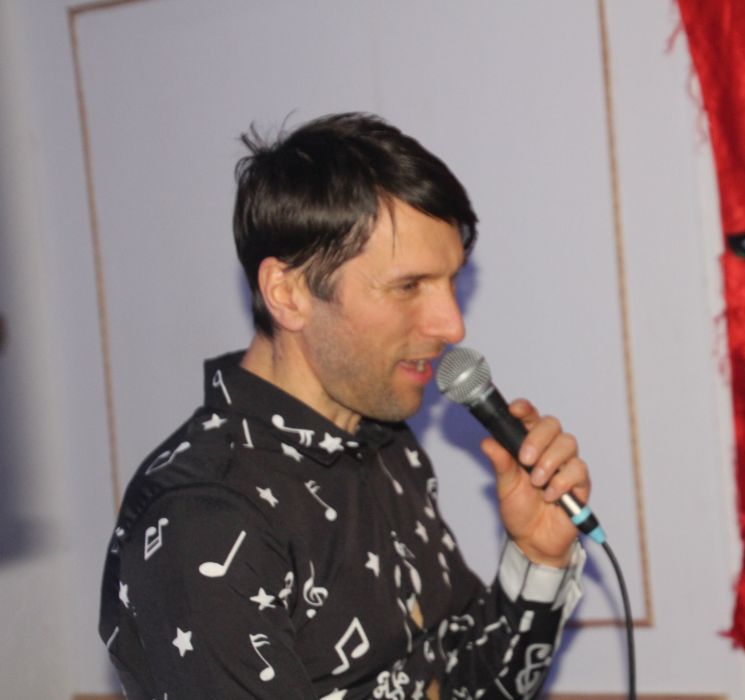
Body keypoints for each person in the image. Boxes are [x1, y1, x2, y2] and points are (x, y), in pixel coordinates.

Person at [98, 112, 590, 700]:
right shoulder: (204, 517)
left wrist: (538, 555)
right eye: (408, 286)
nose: (451, 324)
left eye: (452, 282)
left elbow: (469, 688)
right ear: (288, 293)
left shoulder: (383, 441)